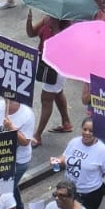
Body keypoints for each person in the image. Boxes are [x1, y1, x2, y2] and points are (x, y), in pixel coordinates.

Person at [51, 118, 105, 209]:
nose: (87, 133)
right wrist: (57, 160)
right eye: (84, 129)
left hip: (88, 195)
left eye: (91, 131)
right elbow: (64, 158)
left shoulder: (103, 151)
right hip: (69, 191)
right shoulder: (74, 142)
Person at [26, 11, 72, 142]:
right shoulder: (47, 19)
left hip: (58, 66)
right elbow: (31, 33)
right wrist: (29, 21)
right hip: (46, 62)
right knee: (57, 92)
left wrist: (56, 27)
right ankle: (66, 122)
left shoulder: (67, 26)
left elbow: (62, 46)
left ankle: (37, 135)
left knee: (46, 99)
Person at [0, 96, 35, 209]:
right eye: (6, 99)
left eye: (12, 100)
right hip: (1, 156)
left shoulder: (27, 114)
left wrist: (11, 128)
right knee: (10, 186)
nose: (8, 102)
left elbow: (25, 142)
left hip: (18, 160)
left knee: (6, 189)